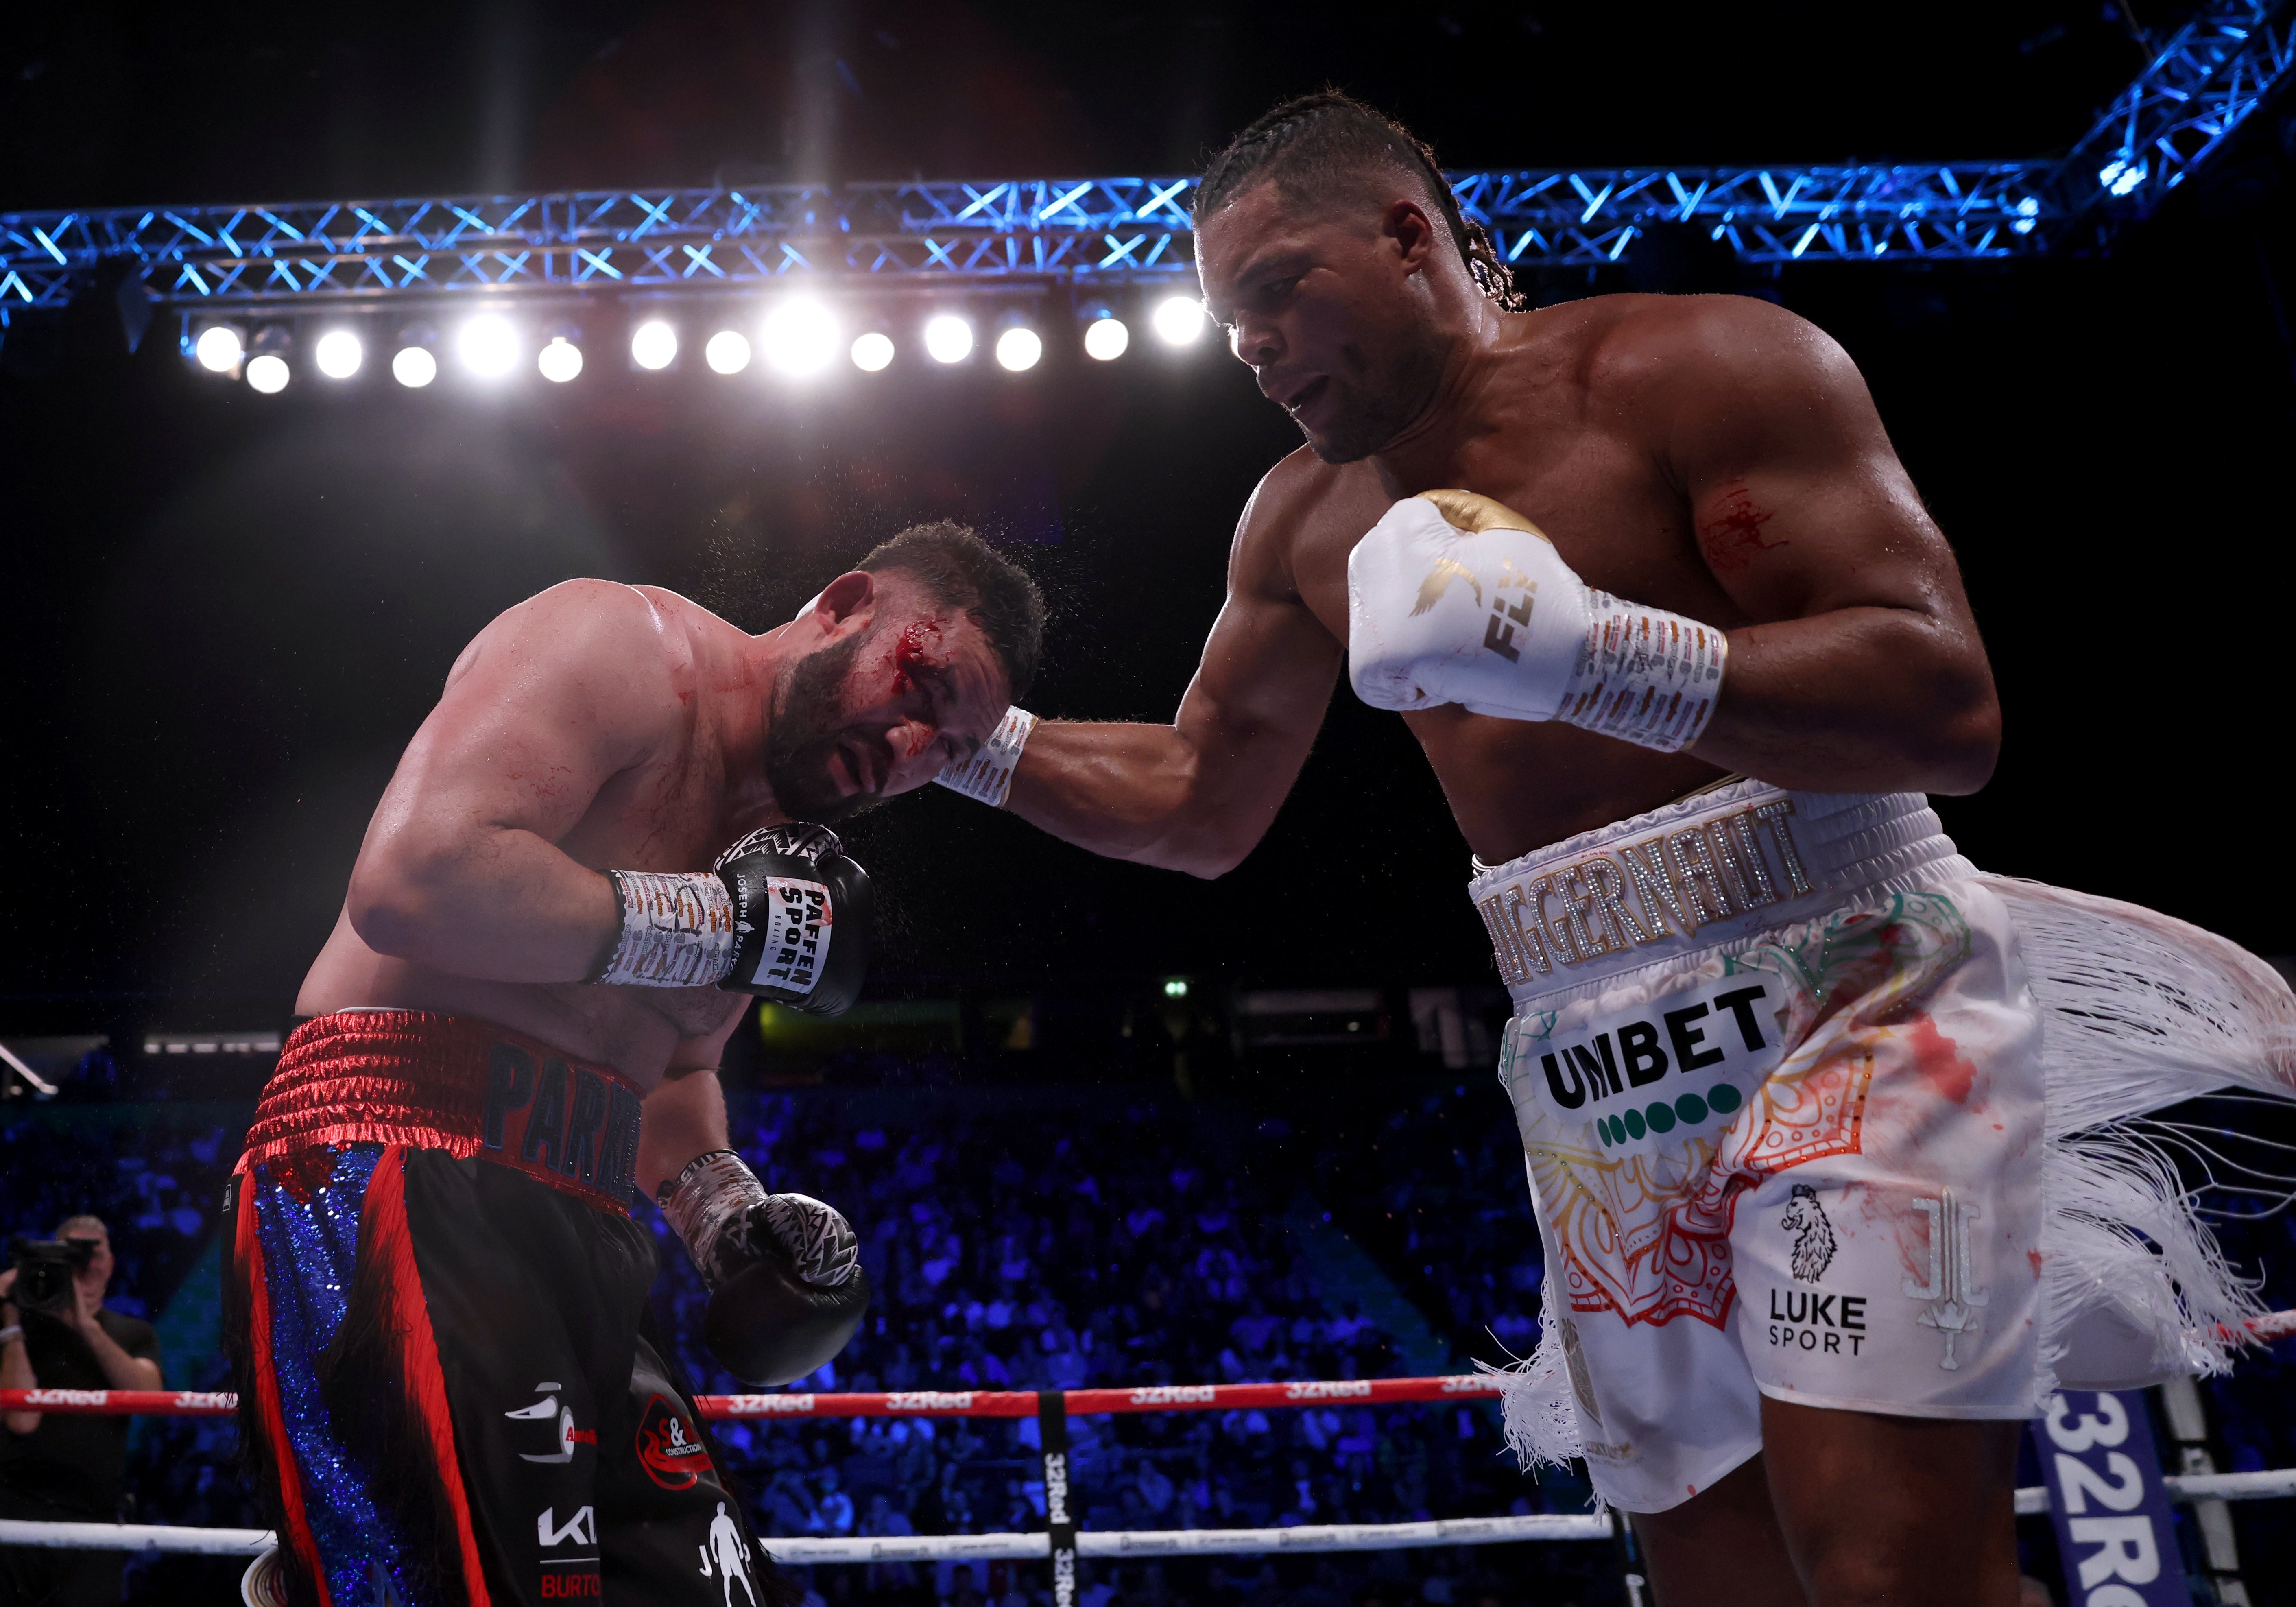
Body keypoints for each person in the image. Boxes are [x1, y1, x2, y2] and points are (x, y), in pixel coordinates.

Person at [929, 92, 2296, 1604]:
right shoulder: (1298, 523)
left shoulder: (1699, 366)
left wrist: (1597, 655)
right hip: (1595, 1060)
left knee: (1894, 1574)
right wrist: (965, 746)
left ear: (1408, 236)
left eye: (1275, 290)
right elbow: (1198, 799)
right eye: (1226, 317)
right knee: (1730, 1589)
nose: (1249, 345)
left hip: (1852, 997)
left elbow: (1945, 703)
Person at [225, 523, 1044, 1607]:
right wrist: (718, 924)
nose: (905, 747)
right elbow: (414, 880)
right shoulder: (620, 644)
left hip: (583, 1215)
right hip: (398, 1158)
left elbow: (668, 1074)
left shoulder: (776, 861)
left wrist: (728, 1222)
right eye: (918, 681)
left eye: (943, 748)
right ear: (845, 603)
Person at [0, 1216, 164, 1607]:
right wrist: (10, 1319)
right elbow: (22, 1419)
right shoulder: (19, 1330)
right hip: (15, 1509)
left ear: (110, 1261)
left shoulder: (132, 1333)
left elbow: (150, 1396)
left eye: (94, 1251)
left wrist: (87, 1326)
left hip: (94, 1516)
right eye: (72, 1253)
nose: (85, 1262)